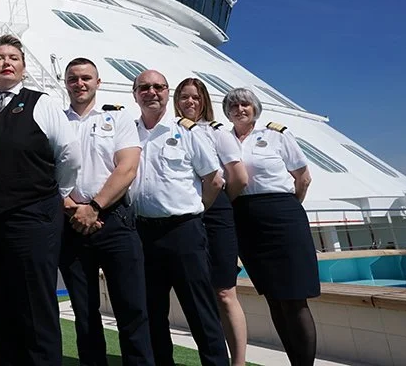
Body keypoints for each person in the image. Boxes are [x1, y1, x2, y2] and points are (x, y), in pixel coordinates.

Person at [0, 35, 79, 366]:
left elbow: (69, 154)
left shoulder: (42, 103)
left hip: (32, 217)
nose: (6, 62)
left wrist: (57, 193)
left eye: (13, 58)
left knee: (35, 305)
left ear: (23, 67)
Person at [58, 58, 154, 366]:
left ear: (98, 82)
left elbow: (127, 168)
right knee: (84, 312)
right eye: (73, 78)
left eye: (86, 78)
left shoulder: (119, 118)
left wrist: (95, 206)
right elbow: (44, 171)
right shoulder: (56, 121)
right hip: (70, 223)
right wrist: (71, 207)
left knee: (132, 309)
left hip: (115, 222)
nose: (80, 84)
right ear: (65, 83)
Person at [129, 70, 228, 366]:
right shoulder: (128, 133)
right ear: (135, 94)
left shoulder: (186, 131)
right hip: (143, 233)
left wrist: (196, 209)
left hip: (183, 232)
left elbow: (214, 179)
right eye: (144, 87)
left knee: (201, 311)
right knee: (152, 312)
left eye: (158, 87)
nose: (151, 92)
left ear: (166, 92)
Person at [222, 87, 318, 366]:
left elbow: (303, 177)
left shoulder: (276, 135)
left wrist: (287, 208)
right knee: (274, 298)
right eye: (234, 106)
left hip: (282, 216)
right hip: (245, 219)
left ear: (255, 108)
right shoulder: (223, 139)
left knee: (295, 298)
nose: (240, 109)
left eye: (245, 104)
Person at [174, 78, 249, 366]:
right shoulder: (173, 129)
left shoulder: (216, 132)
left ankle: (238, 362)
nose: (190, 102)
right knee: (200, 292)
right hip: (186, 213)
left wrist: (216, 202)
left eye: (195, 97)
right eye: (184, 97)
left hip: (215, 211)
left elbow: (238, 177)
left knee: (225, 292)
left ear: (204, 100)